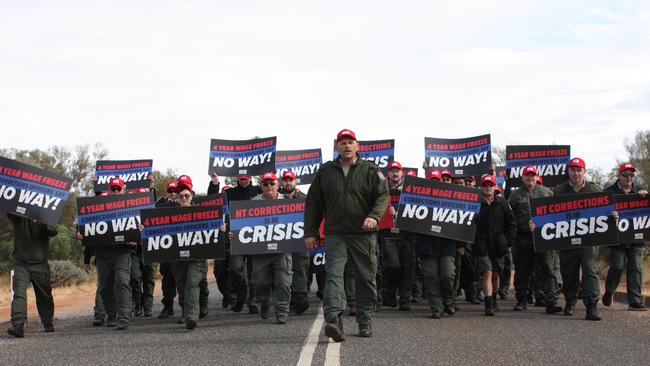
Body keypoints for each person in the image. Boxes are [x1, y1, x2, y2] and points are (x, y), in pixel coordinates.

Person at [304, 128, 388, 340]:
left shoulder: (370, 170)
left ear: (357, 146)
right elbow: (313, 202)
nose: (347, 146)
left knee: (366, 277)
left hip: (364, 233)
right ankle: (334, 321)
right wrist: (311, 231)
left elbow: (382, 196)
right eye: (342, 142)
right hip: (335, 234)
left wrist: (374, 216)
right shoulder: (325, 172)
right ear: (337, 147)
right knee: (334, 276)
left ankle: (365, 320)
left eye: (350, 142)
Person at [532, 157, 617, 321]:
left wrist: (612, 215)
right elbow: (546, 213)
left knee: (590, 270)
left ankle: (591, 306)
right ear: (568, 171)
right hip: (566, 241)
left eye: (579, 170)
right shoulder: (558, 191)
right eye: (573, 170)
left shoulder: (594, 189)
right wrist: (535, 223)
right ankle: (570, 301)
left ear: (584, 171)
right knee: (569, 273)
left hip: (589, 241)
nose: (576, 173)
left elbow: (606, 211)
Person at [77, 177, 136, 330]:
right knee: (104, 287)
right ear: (109, 190)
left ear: (123, 190)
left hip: (122, 253)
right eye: (113, 189)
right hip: (102, 254)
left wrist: (136, 237)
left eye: (118, 189)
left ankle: (124, 317)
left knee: (122, 282)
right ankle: (111, 315)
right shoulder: (98, 207)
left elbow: (140, 229)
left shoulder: (131, 208)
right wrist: (81, 234)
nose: (116, 191)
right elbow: (83, 227)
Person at [508, 166, 562, 314]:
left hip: (544, 238)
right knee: (522, 271)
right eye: (527, 176)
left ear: (537, 177)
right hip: (523, 239)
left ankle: (551, 301)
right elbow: (510, 218)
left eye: (533, 176)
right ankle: (521, 300)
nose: (530, 179)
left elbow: (556, 215)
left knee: (548, 269)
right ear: (523, 177)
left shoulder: (547, 192)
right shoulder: (515, 195)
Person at [249, 172, 294, 324]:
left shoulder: (288, 201)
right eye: (265, 183)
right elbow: (244, 225)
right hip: (260, 251)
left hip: (282, 249)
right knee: (261, 282)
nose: (269, 186)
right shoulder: (253, 202)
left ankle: (282, 311)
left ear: (277, 184)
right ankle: (264, 302)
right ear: (261, 185)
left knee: (283, 281)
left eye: (272, 183)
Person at [603, 163, 648, 311]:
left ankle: (634, 300)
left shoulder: (640, 191)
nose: (629, 178)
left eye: (631, 175)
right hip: (617, 239)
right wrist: (609, 214)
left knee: (636, 267)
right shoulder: (609, 192)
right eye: (625, 175)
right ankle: (609, 290)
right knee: (617, 266)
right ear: (618, 175)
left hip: (636, 238)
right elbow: (599, 214)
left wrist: (645, 198)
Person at [6, 215, 58, 338]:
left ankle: (47, 322)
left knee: (44, 295)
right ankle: (18, 325)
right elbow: (9, 211)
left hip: (40, 264)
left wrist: (41, 222)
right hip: (21, 264)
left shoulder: (46, 215)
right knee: (18, 293)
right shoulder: (18, 215)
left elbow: (53, 231)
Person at [416, 169, 457, 319]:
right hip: (426, 245)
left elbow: (461, 221)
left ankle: (448, 300)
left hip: (446, 245)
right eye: (432, 181)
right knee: (430, 276)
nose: (435, 184)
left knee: (447, 274)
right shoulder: (418, 199)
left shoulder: (453, 200)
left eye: (437, 181)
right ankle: (436, 307)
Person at [473, 174, 517, 316]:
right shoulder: (474, 204)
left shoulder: (503, 203)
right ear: (481, 187)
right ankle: (488, 304)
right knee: (487, 273)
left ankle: (494, 298)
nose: (488, 187)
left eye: (490, 185)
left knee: (496, 275)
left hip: (499, 245)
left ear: (495, 187)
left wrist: (507, 241)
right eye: (485, 185)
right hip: (482, 244)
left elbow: (512, 224)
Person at [171, 175, 209, 329]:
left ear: (192, 195)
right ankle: (188, 309)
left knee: (192, 283)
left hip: (197, 257)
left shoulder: (202, 212)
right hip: (178, 258)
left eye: (187, 195)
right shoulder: (169, 215)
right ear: (177, 198)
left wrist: (220, 229)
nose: (184, 198)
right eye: (181, 196)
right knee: (181, 286)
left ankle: (191, 317)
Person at [225, 175, 262, 314]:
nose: (243, 180)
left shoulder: (259, 190)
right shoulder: (229, 193)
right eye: (241, 178)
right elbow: (221, 212)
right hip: (236, 238)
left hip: (256, 237)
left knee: (254, 272)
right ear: (236, 178)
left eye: (245, 178)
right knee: (235, 269)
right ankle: (241, 297)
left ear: (251, 177)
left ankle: (253, 301)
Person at [381, 161, 416, 311]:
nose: (395, 174)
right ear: (388, 174)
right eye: (392, 171)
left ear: (402, 173)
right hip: (388, 234)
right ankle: (389, 294)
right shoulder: (382, 190)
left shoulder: (411, 189)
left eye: (398, 171)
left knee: (407, 268)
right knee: (392, 266)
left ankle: (405, 300)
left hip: (407, 234)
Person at [278, 170, 310, 315]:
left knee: (300, 268)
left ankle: (301, 299)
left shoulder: (304, 198)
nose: (288, 182)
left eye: (291, 180)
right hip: (281, 241)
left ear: (296, 181)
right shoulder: (275, 198)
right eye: (285, 180)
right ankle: (287, 300)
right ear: (281, 182)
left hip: (300, 240)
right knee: (284, 271)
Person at [157, 181, 180, 319]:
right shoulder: (161, 204)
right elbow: (152, 209)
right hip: (167, 249)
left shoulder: (186, 200)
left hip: (183, 247)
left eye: (175, 191)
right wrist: (172, 203)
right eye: (170, 191)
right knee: (167, 279)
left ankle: (189, 308)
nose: (173, 193)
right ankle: (168, 306)